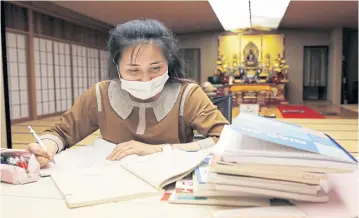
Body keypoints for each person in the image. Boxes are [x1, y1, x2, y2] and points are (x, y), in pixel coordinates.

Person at [27, 19, 229, 168]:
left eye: (156, 68)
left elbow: (225, 139)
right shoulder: (100, 95)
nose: (145, 79)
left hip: (171, 179)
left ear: (169, 63)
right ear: (117, 66)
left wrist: (160, 150)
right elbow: (61, 133)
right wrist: (46, 147)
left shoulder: (188, 95)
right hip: (112, 180)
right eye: (133, 70)